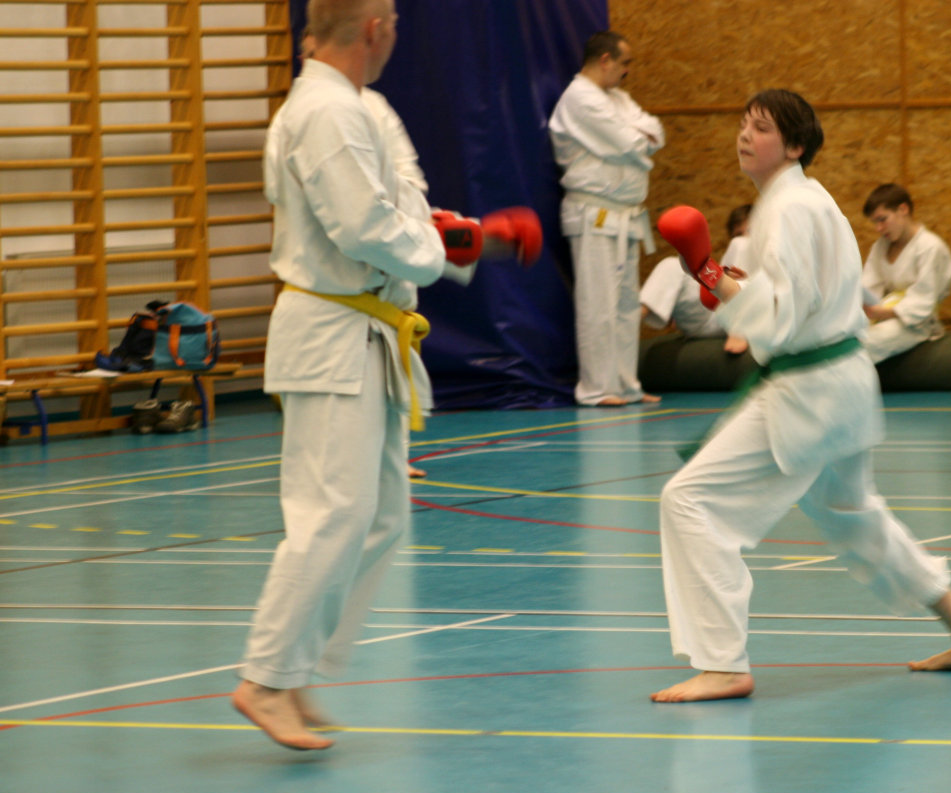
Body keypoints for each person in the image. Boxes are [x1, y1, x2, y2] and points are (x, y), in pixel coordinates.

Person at [231, 0, 526, 749]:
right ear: (373, 29)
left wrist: (462, 238)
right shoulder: (325, 113)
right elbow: (365, 227)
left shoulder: (360, 107)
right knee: (332, 512)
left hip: (367, 329)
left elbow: (401, 206)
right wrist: (445, 249)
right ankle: (265, 677)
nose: (396, 26)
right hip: (332, 334)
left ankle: (294, 669)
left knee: (380, 513)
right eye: (391, 16)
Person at [650, 89, 951, 704]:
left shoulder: (789, 207)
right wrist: (726, 282)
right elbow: (799, 299)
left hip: (807, 392)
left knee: (689, 501)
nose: (744, 135)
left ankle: (722, 664)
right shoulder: (807, 201)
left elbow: (780, 318)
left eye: (761, 128)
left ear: (794, 146)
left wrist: (712, 278)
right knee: (855, 514)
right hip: (843, 385)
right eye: (743, 124)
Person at [299, 27, 429, 478]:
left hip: (390, 260)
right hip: (341, 281)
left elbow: (411, 181)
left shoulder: (375, 107)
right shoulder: (310, 112)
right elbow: (341, 213)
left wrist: (397, 212)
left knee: (392, 362)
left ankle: (396, 453)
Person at [550, 31, 664, 407]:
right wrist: (636, 139)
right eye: (625, 63)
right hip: (593, 213)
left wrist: (636, 138)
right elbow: (630, 143)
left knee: (626, 305)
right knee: (597, 302)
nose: (628, 71)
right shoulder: (579, 98)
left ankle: (626, 384)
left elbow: (655, 132)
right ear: (605, 60)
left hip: (626, 214)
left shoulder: (618, 98)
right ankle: (597, 388)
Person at [859, 183, 951, 363]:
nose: (878, 228)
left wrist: (883, 313)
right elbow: (869, 287)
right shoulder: (880, 246)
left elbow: (923, 302)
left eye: (882, 219)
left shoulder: (930, 247)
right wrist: (864, 307)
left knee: (864, 345)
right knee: (843, 338)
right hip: (881, 314)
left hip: (917, 324)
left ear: (903, 210)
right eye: (875, 222)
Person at [640, 204, 752, 354]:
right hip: (713, 318)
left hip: (755, 316)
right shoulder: (732, 253)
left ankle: (739, 328)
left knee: (741, 245)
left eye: (751, 231)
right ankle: (633, 319)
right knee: (672, 265)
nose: (744, 237)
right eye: (738, 234)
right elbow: (710, 296)